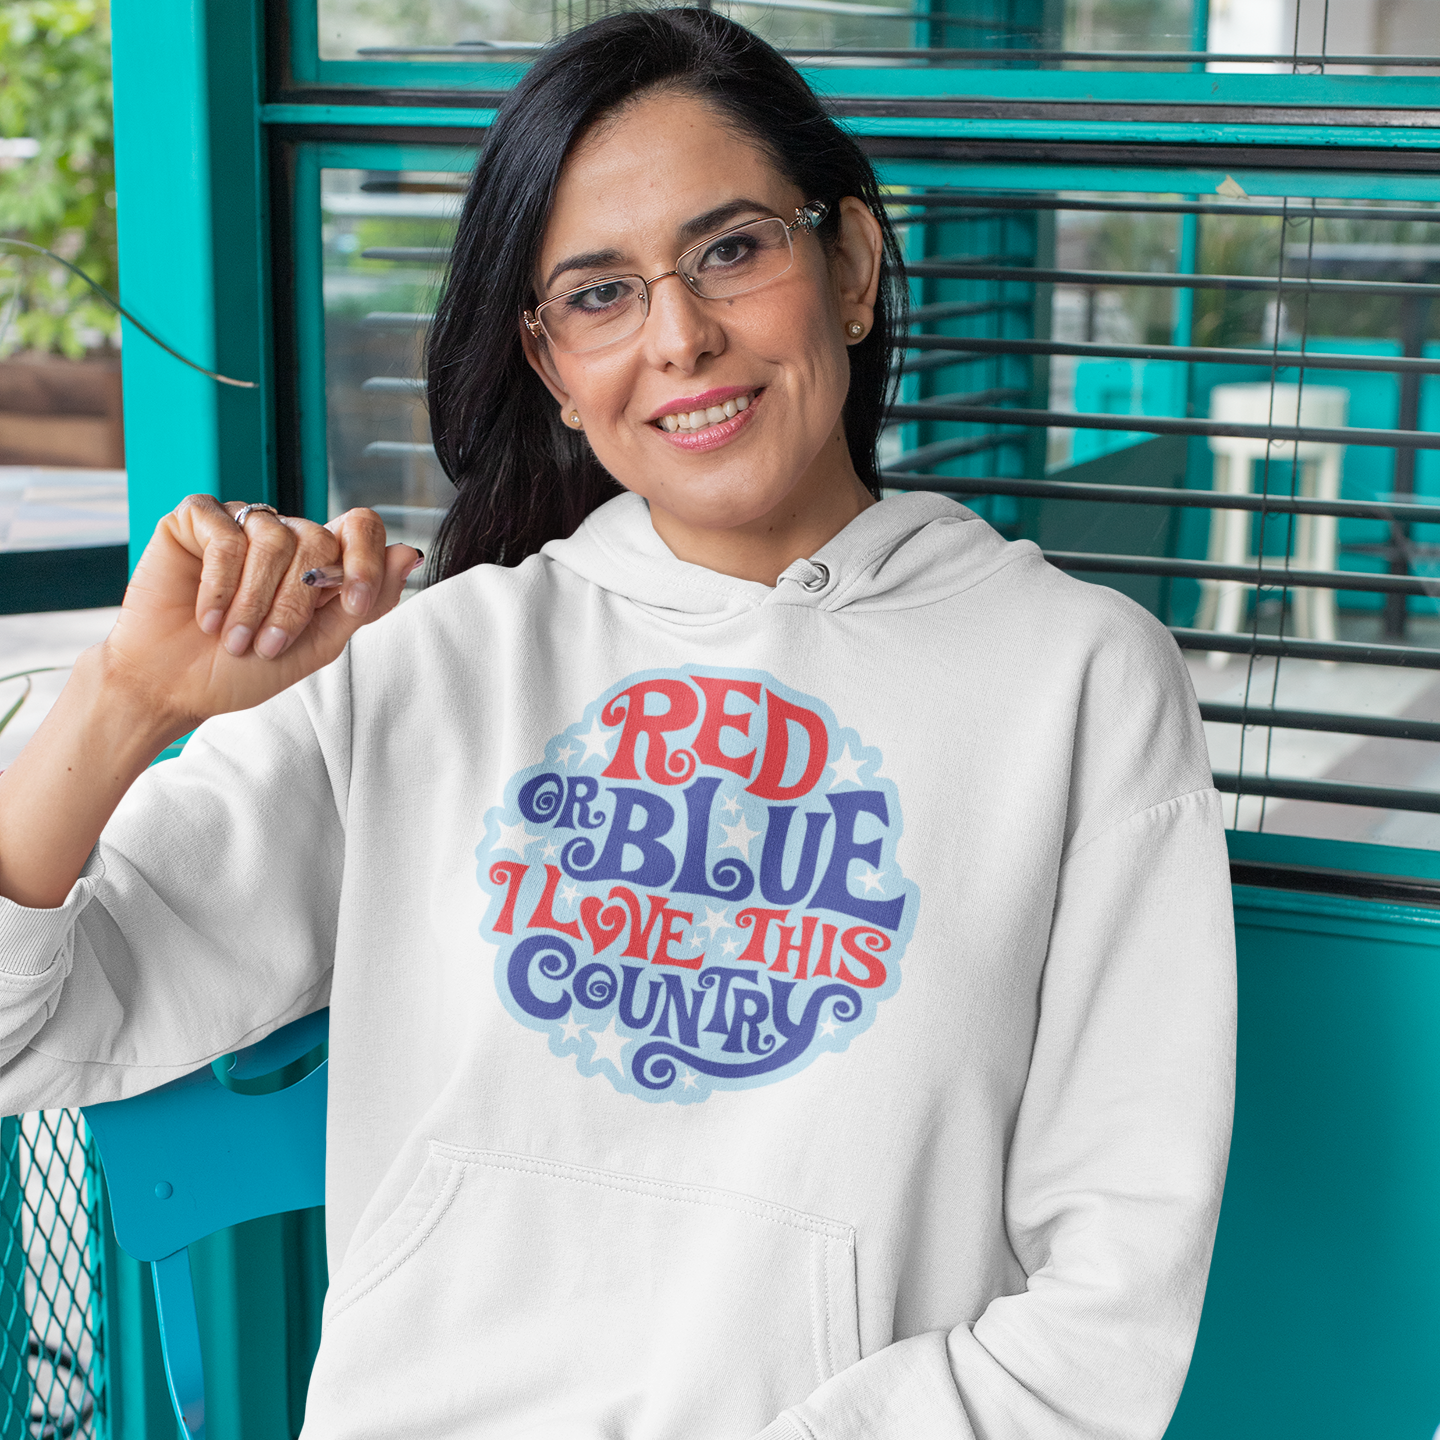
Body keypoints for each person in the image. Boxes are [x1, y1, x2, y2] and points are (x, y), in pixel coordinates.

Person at [0, 9, 1236, 1438]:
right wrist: (126, 697)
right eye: (598, 295)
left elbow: (1110, 1303)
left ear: (848, 268)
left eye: (731, 251)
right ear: (549, 366)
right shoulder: (432, 665)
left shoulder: (1078, 682)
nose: (681, 338)